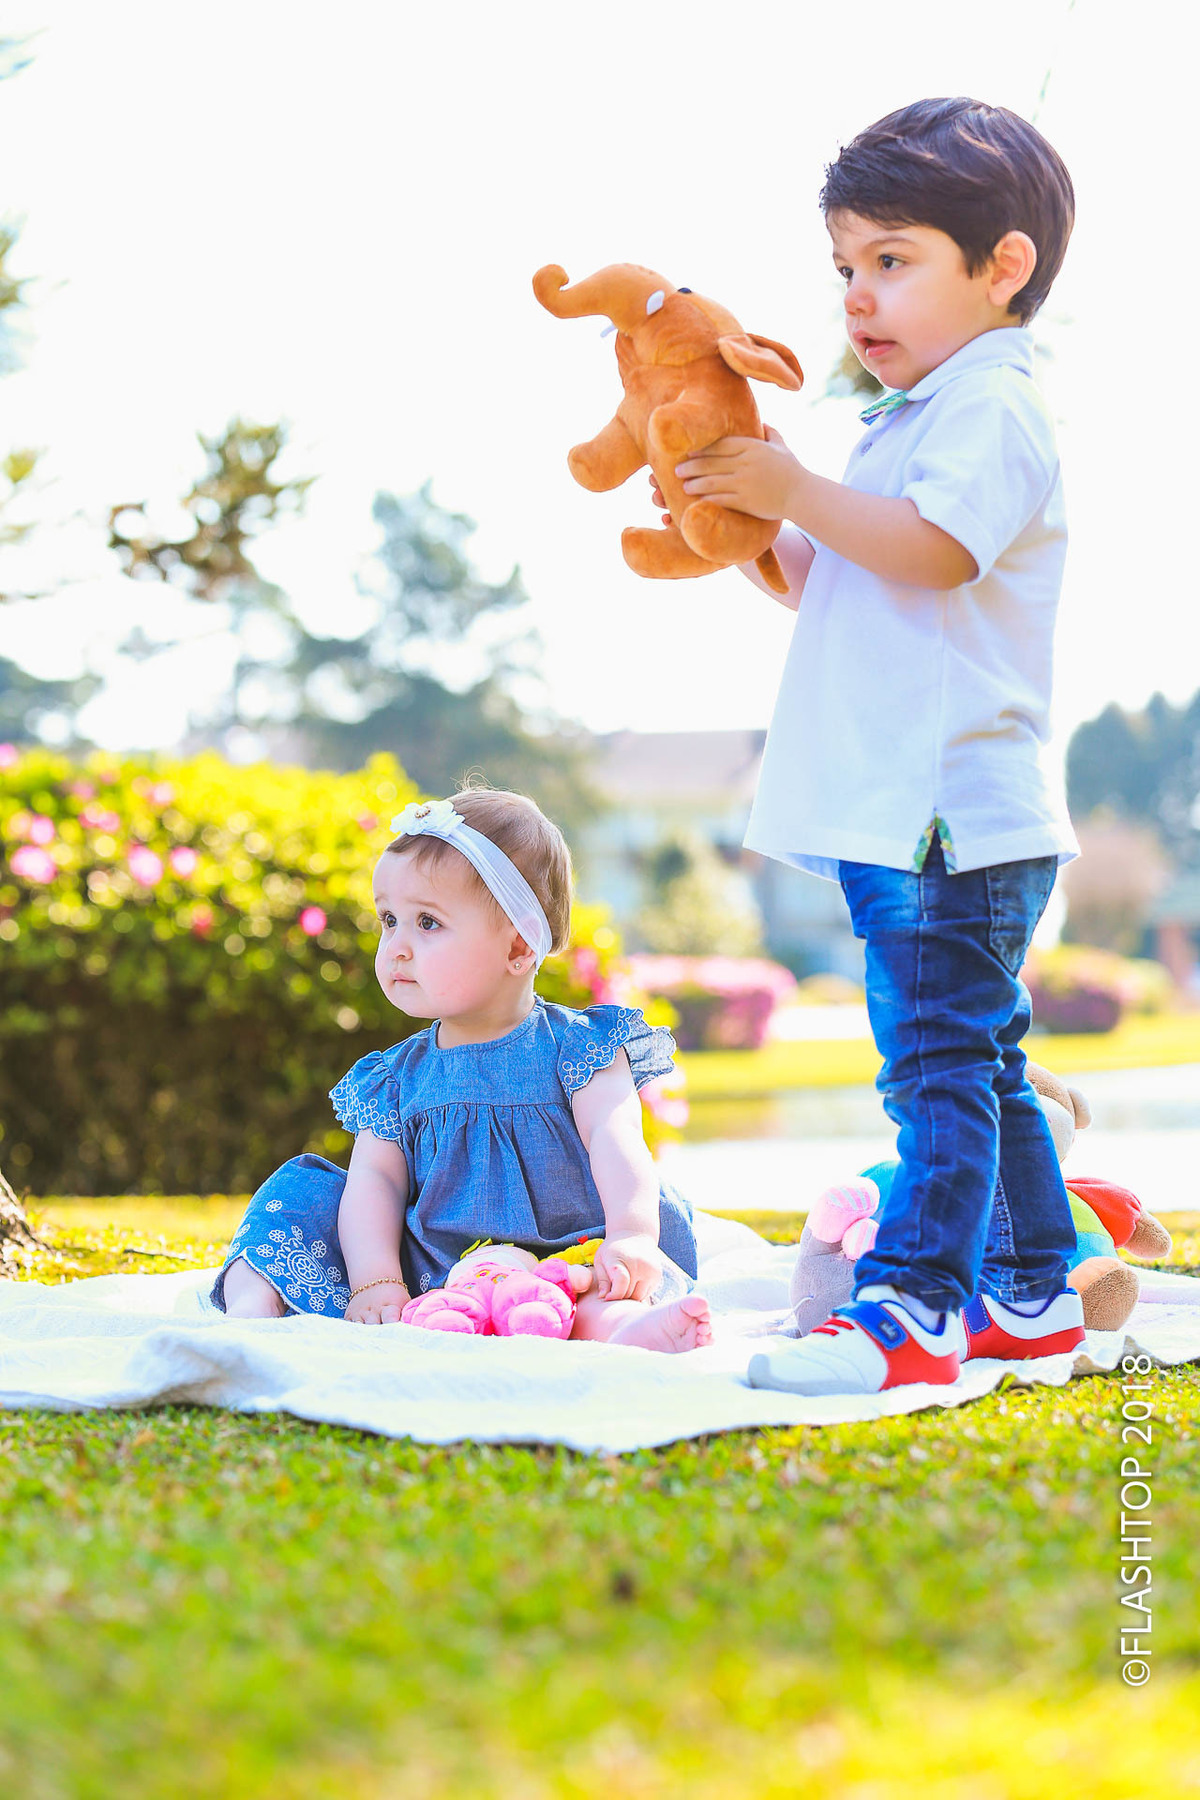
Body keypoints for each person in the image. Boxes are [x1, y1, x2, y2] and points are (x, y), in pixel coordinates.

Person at [665, 97, 1086, 1394]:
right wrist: (750, 526)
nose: (858, 296)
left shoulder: (992, 410)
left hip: (941, 814)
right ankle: (1027, 1291)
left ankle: (910, 1306)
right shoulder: (906, 417)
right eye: (844, 266)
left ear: (1001, 268)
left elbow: (937, 551)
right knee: (983, 1060)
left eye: (893, 261)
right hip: (913, 809)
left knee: (937, 1071)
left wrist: (794, 489)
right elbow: (841, 579)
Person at [213, 787, 711, 1355]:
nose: (396, 946)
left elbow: (615, 1137)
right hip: (435, 1274)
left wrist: (630, 1235)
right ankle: (254, 1303)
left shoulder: (581, 1047)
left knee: (600, 1292)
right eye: (389, 919)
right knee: (302, 1193)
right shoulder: (395, 1077)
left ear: (519, 948)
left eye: (427, 923)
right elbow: (376, 1182)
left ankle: (624, 1328)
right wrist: (378, 1282)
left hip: (569, 1255)